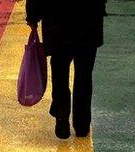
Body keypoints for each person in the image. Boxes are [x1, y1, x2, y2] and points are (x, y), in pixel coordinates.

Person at [25, 0, 107, 139]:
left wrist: (33, 15)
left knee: (59, 72)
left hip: (57, 21)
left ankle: (61, 117)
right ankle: (82, 124)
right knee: (84, 75)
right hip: (89, 19)